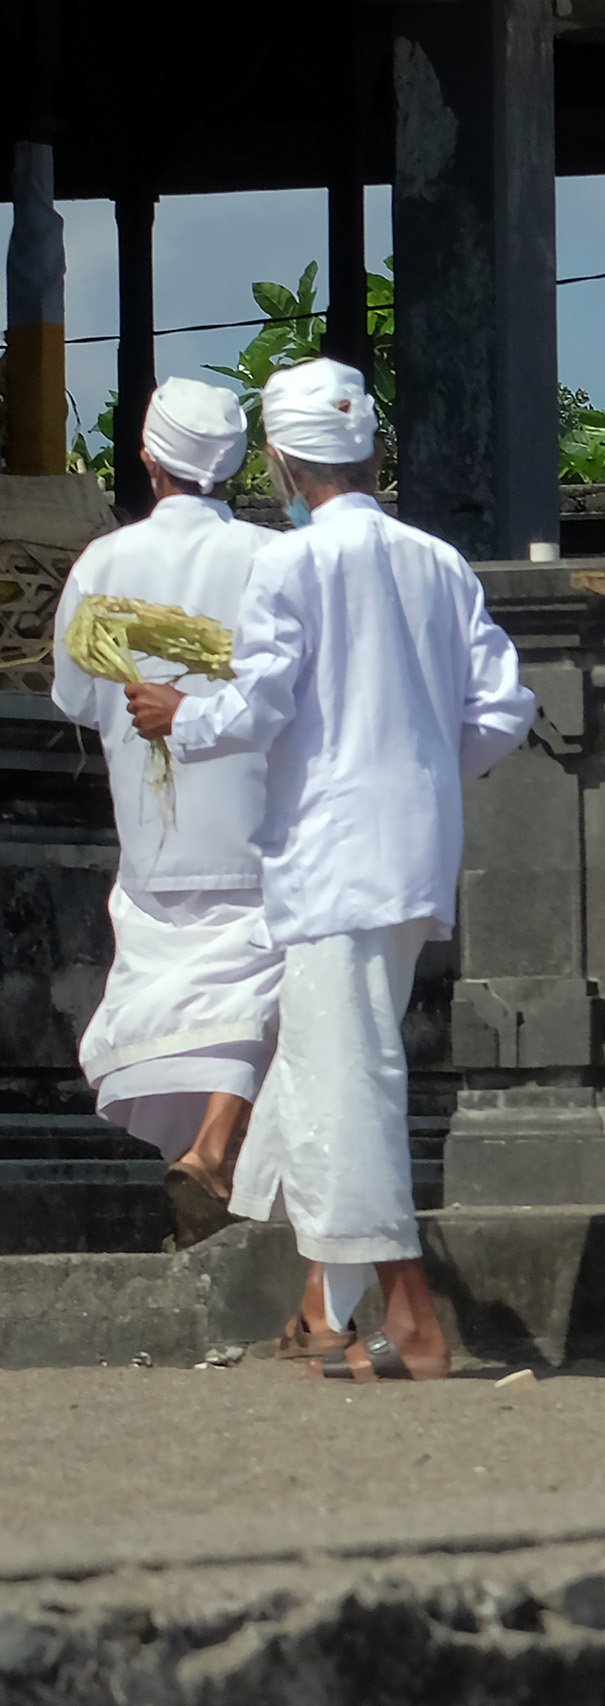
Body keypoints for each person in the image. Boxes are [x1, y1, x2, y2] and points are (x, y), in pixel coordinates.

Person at [125, 358, 533, 1383]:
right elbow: (502, 710)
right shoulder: (438, 560)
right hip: (412, 850)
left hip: (328, 857)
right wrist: (426, 766)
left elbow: (258, 707)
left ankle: (413, 1317)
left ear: (279, 461)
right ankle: (325, 1309)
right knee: (315, 1071)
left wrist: (184, 716)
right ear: (371, 452)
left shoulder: (292, 566)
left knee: (348, 1081)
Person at [50, 375, 279, 1253]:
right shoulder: (270, 559)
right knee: (260, 984)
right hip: (253, 810)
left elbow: (75, 695)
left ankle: (211, 1161)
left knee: (175, 989)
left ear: (148, 460)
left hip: (153, 825)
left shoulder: (103, 565)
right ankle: (215, 1153)